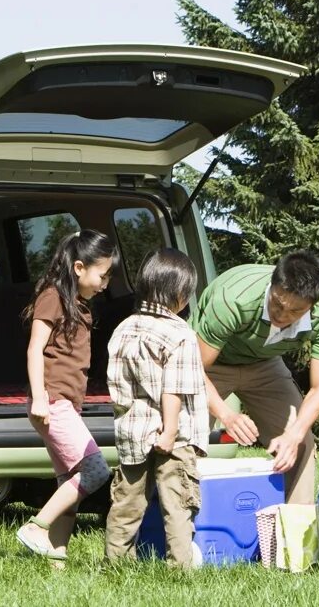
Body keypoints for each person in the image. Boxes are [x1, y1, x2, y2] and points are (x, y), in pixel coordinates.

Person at [190, 250, 319, 505]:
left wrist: (293, 436)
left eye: (295, 312)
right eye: (277, 304)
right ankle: (176, 523)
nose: (282, 315)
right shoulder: (233, 298)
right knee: (184, 438)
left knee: (302, 442)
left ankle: (295, 531)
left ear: (312, 306)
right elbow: (192, 367)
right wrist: (227, 415)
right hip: (209, 365)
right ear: (272, 285)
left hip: (265, 365)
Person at [16, 229, 118, 561]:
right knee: (95, 471)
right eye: (102, 274)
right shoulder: (53, 297)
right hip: (53, 400)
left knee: (70, 483)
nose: (105, 282)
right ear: (78, 267)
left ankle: (56, 558)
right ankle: (36, 527)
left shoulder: (80, 304)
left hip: (65, 404)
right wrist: (41, 397)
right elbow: (35, 349)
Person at [104, 249, 209, 567]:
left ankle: (116, 563)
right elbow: (175, 388)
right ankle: (180, 567)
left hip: (133, 431)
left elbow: (118, 385)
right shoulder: (180, 334)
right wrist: (171, 429)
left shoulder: (124, 328)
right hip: (171, 435)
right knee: (178, 503)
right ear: (180, 295)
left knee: (126, 502)